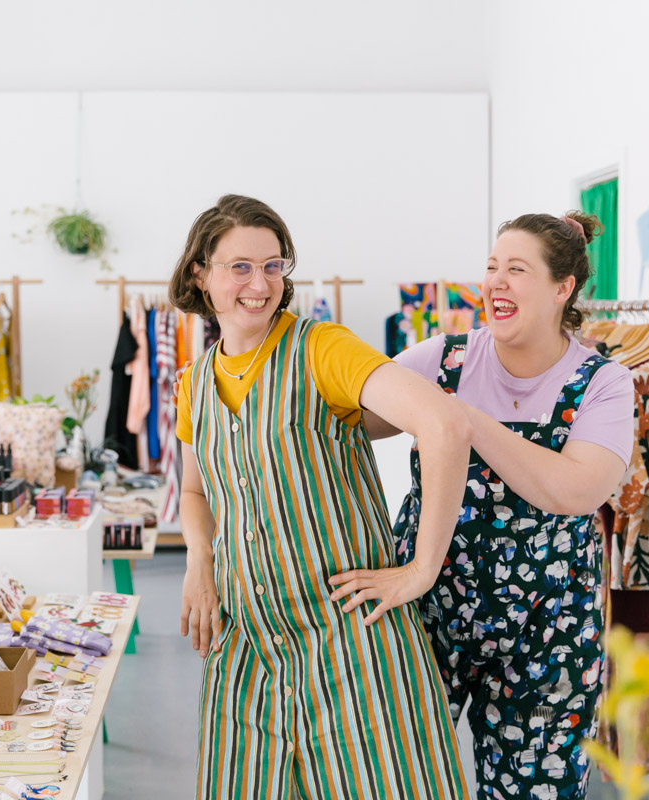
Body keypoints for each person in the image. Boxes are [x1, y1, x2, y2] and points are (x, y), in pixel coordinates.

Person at [171, 194, 473, 799]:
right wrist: (199, 561)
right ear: (201, 274)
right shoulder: (195, 382)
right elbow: (196, 487)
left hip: (353, 645)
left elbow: (446, 425)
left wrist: (420, 571)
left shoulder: (322, 349)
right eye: (240, 267)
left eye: (273, 266)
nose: (260, 284)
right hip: (247, 648)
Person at [341, 211, 633, 799]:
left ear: (562, 288)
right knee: (394, 779)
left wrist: (460, 419)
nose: (495, 282)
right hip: (426, 611)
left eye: (517, 269)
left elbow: (575, 489)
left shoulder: (604, 382)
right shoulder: (441, 360)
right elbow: (349, 419)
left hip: (548, 631)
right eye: (492, 267)